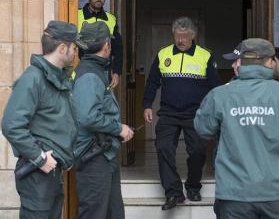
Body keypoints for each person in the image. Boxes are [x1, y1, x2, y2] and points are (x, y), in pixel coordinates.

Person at [194, 38, 279, 219]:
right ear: (269, 62)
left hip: (235, 194)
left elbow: (203, 129)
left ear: (240, 62)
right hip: (278, 193)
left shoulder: (221, 95)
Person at [1, 21, 83, 219]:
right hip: (38, 175)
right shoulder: (34, 78)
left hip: (53, 172)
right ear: (62, 48)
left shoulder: (58, 78)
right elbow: (11, 125)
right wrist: (39, 158)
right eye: (74, 48)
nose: (76, 53)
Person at [143, 16, 220, 210]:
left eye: (185, 37)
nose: (180, 40)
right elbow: (152, 82)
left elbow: (215, 88)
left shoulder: (205, 56)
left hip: (195, 114)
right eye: (177, 36)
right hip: (168, 113)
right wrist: (147, 105)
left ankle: (193, 186)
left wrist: (214, 112)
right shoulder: (163, 54)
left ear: (193, 35)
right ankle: (173, 192)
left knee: (198, 151)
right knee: (164, 148)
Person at [72, 21, 134, 219]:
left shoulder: (96, 70)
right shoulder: (90, 75)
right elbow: (88, 116)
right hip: (93, 157)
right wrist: (118, 128)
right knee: (96, 213)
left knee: (113, 213)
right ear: (106, 44)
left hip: (103, 154)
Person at [78, 0, 123, 88]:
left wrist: (117, 72)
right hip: (81, 68)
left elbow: (118, 49)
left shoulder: (111, 19)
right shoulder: (76, 15)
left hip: (104, 70)